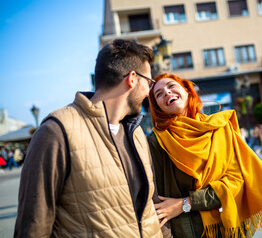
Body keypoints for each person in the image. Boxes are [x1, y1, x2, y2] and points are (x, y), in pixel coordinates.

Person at [15, 39, 164, 237]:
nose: (149, 91)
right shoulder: (56, 131)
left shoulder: (136, 132)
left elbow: (151, 212)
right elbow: (33, 226)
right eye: (149, 82)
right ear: (133, 79)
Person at [147, 73, 262, 238]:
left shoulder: (220, 128)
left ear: (187, 91)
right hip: (189, 232)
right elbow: (158, 195)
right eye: (158, 94)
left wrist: (185, 203)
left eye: (171, 86)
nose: (166, 92)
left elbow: (236, 180)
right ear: (158, 107)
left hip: (229, 227)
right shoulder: (157, 141)